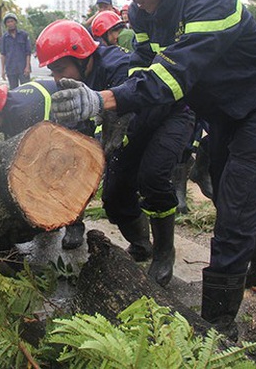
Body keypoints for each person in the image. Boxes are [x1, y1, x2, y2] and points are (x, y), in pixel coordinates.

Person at [51, 0, 256, 336]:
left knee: (235, 205)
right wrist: (118, 113)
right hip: (222, 111)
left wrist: (103, 99)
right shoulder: (145, 14)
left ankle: (215, 327)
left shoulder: (211, 0)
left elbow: (173, 76)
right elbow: (142, 67)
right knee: (224, 182)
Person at [37, 20, 195, 286]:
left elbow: (132, 109)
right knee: (114, 198)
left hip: (169, 116)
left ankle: (164, 252)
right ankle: (142, 243)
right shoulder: (79, 77)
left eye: (60, 69)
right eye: (53, 71)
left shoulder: (117, 67)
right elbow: (80, 126)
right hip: (132, 129)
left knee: (152, 178)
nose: (57, 78)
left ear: (82, 56)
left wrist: (106, 139)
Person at [0, 78, 88, 249]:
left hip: (74, 120)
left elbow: (38, 152)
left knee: (60, 173)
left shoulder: (23, 114)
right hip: (47, 124)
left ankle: (75, 225)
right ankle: (50, 221)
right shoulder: (7, 110)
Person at [0, 12, 32, 89]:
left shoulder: (23, 35)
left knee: (26, 89)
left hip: (23, 68)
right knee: (14, 90)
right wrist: (3, 70)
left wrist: (27, 67)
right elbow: (3, 54)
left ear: (15, 22)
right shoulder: (4, 37)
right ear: (6, 24)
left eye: (12, 21)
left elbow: (28, 52)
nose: (10, 23)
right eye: (8, 22)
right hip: (11, 69)